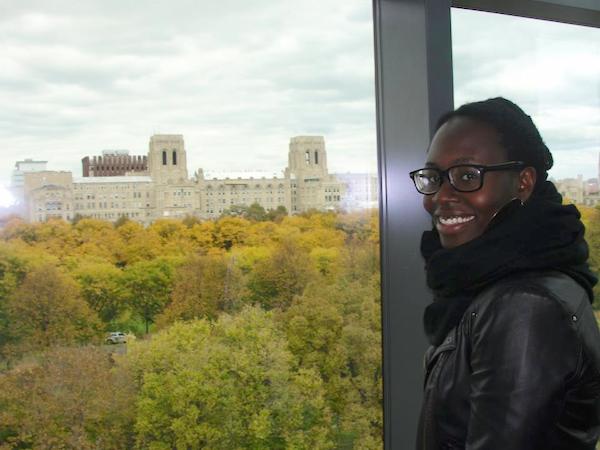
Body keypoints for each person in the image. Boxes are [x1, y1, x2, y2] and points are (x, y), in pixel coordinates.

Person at [409, 97, 600, 449]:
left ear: (523, 182)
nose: (440, 196)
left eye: (467, 176)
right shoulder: (499, 282)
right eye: (434, 176)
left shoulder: (523, 307)